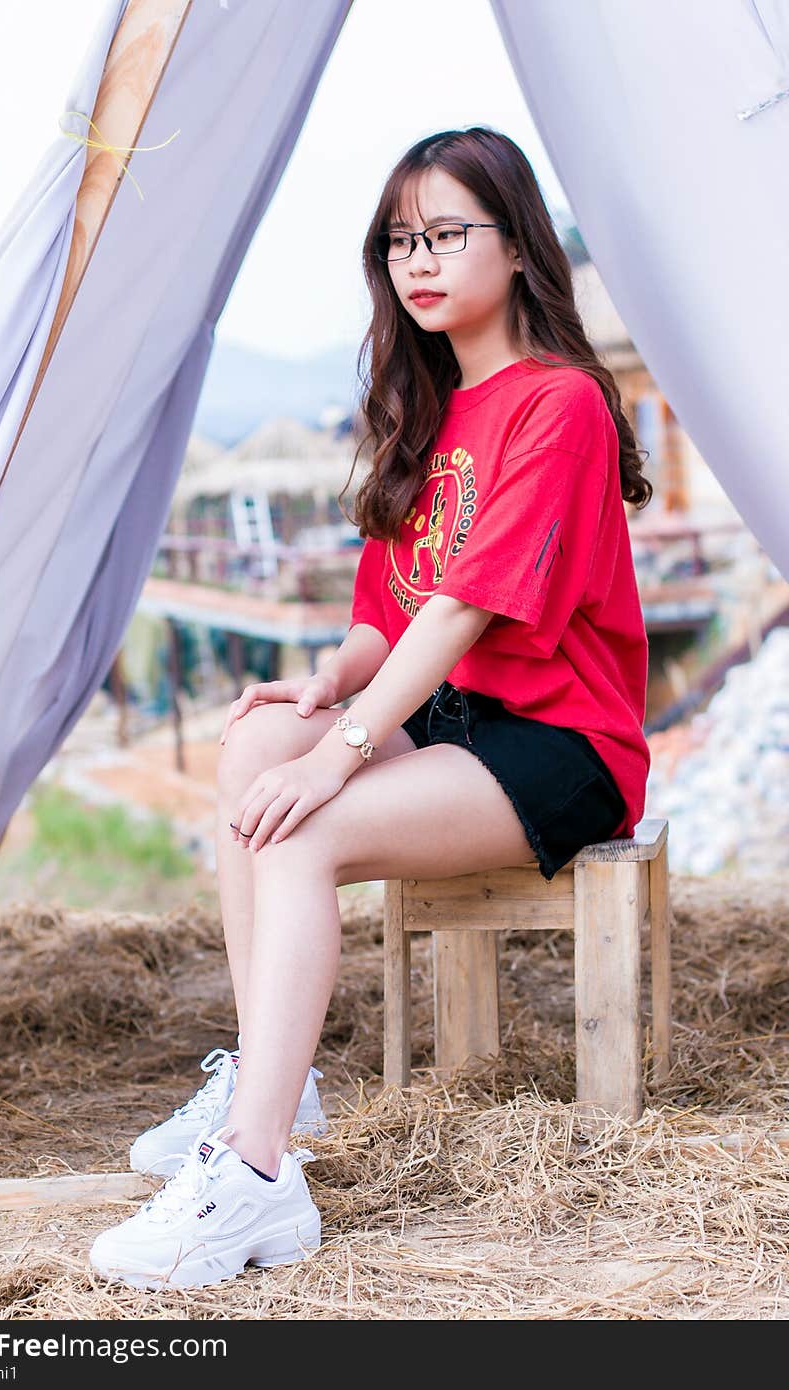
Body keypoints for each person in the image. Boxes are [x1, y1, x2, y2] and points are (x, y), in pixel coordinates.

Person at [89, 125, 652, 1290]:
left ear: (518, 245)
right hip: (450, 720)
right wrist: (321, 688)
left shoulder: (559, 406)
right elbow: (387, 617)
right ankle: (275, 1087)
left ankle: (250, 1177)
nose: (418, 260)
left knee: (306, 818)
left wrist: (339, 757)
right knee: (252, 743)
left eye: (448, 232)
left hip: (559, 739)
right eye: (400, 240)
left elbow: (461, 614)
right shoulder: (427, 406)